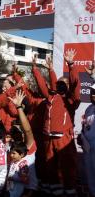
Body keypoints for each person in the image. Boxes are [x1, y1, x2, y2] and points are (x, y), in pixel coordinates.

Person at [32, 50, 80, 196]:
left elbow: (75, 83)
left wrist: (71, 64)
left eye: (64, 83)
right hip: (48, 138)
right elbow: (43, 85)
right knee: (49, 165)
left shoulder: (71, 100)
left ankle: (70, 191)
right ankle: (55, 191)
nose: (60, 85)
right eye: (59, 83)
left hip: (63, 138)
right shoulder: (51, 98)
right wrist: (36, 69)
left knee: (67, 166)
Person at [80, 85, 95, 197]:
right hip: (88, 149)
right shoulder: (89, 108)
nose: (92, 95)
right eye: (91, 92)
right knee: (90, 178)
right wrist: (82, 136)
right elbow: (85, 126)